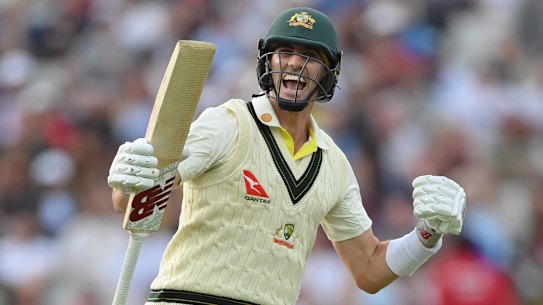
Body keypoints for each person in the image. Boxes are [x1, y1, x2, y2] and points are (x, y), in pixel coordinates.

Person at [107, 7, 467, 305]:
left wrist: (426, 234)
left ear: (329, 72)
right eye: (286, 53)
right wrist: (130, 183)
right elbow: (141, 200)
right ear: (268, 61)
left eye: (309, 56)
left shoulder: (334, 164)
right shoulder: (228, 123)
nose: (294, 63)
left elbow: (369, 270)